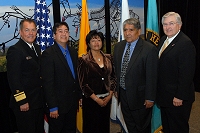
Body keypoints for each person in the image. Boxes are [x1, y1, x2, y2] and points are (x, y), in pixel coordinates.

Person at [113, 18, 158, 132]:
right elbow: (117, 71)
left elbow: (152, 76)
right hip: (123, 94)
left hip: (141, 98)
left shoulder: (149, 49)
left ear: (139, 31)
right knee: (130, 125)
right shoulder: (118, 47)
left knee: (142, 127)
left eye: (131, 30)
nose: (127, 33)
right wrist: (117, 89)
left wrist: (150, 97)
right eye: (125, 30)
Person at [157, 12, 196, 133]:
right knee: (168, 127)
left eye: (171, 23)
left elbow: (187, 73)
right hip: (165, 96)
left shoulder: (185, 44)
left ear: (179, 25)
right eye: (165, 24)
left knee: (178, 128)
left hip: (177, 99)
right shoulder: (164, 39)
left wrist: (179, 96)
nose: (167, 27)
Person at [41, 22, 82, 133]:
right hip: (57, 106)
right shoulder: (48, 54)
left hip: (72, 103)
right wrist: (53, 106)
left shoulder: (73, 52)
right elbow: (47, 83)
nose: (64, 33)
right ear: (54, 35)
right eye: (60, 31)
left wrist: (79, 96)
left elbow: (75, 77)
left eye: (66, 31)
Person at [6, 19, 44, 133]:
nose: (31, 33)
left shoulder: (36, 48)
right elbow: (14, 79)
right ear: (20, 32)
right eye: (27, 30)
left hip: (37, 101)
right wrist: (22, 101)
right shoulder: (16, 50)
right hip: (25, 103)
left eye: (33, 30)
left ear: (37, 32)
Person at [77, 30, 116, 133]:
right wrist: (96, 99)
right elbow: (83, 84)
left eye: (99, 40)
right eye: (93, 40)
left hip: (107, 99)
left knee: (104, 127)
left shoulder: (109, 58)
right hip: (91, 101)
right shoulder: (83, 60)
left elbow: (113, 78)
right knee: (92, 127)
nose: (96, 43)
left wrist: (110, 95)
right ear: (89, 43)